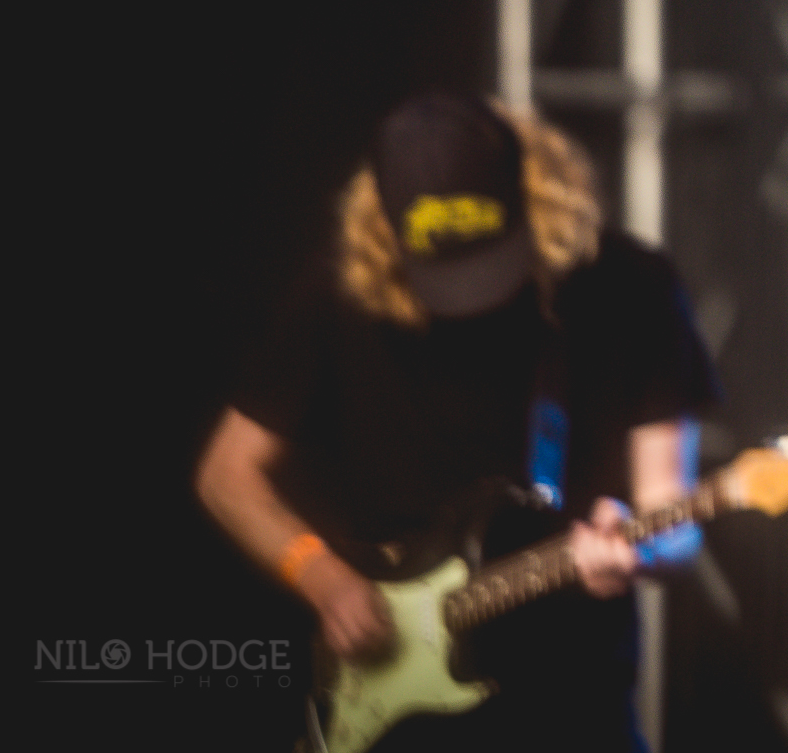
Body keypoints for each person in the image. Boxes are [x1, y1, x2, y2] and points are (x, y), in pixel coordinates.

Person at [197, 91, 719, 751]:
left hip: (573, 707)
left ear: (532, 189)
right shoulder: (340, 288)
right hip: (391, 711)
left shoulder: (630, 285)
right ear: (384, 227)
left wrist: (639, 550)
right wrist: (320, 574)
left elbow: (674, 521)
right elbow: (226, 472)